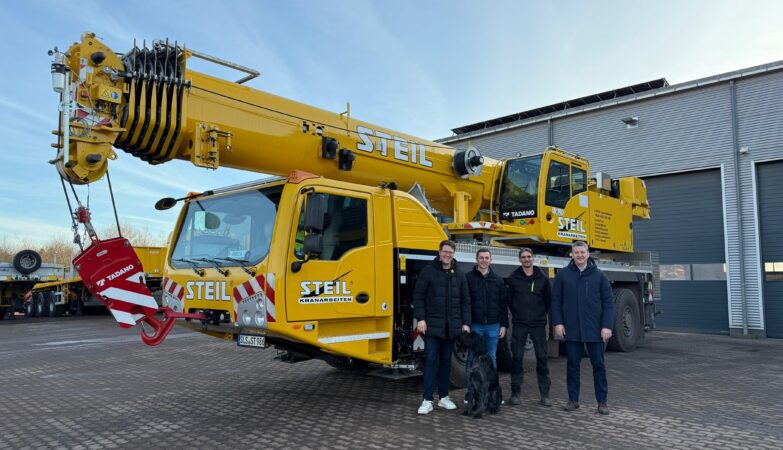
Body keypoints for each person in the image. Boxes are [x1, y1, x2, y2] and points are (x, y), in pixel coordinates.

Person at [552, 241, 614, 415]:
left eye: (582, 252)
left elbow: (608, 303)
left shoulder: (599, 276)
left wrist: (606, 326)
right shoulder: (563, 275)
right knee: (572, 365)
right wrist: (558, 323)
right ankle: (573, 400)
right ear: (571, 254)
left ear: (588, 254)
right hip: (572, 329)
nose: (579, 255)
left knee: (599, 365)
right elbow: (556, 301)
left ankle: (602, 402)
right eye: (576, 252)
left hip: (595, 329)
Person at [413, 239, 471, 415]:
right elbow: (418, 296)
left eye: (450, 252)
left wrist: (466, 323)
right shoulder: (428, 271)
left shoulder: (459, 273)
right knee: (431, 361)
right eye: (445, 252)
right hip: (432, 327)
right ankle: (427, 400)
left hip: (451, 328)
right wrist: (420, 319)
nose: (447, 255)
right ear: (439, 253)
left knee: (446, 363)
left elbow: (465, 301)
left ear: (454, 254)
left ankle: (444, 397)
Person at [506, 247, 552, 407]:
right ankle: (515, 394)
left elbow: (548, 301)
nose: (526, 259)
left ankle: (545, 395)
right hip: (520, 324)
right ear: (520, 259)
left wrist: (539, 314)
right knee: (517, 358)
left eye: (529, 256)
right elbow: (509, 300)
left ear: (533, 258)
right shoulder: (513, 278)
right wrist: (518, 314)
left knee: (542, 358)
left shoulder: (543, 279)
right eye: (523, 257)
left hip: (538, 324)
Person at [464, 248, 508, 402]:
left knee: (492, 359)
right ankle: (470, 393)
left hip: (493, 326)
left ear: (491, 260)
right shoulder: (468, 278)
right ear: (476, 259)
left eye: (486, 258)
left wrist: (504, 325)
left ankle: (492, 394)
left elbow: (503, 305)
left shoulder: (498, 280)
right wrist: (466, 323)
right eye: (481, 258)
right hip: (475, 326)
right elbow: (465, 302)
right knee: (471, 359)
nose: (484, 260)